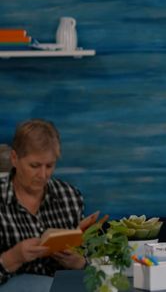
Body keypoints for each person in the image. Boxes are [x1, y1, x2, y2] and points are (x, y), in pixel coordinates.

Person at [0, 119, 99, 291]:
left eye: (50, 165)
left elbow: (93, 263)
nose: (43, 175)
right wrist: (11, 258)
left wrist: (80, 262)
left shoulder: (70, 196)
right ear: (15, 159)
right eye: (35, 166)